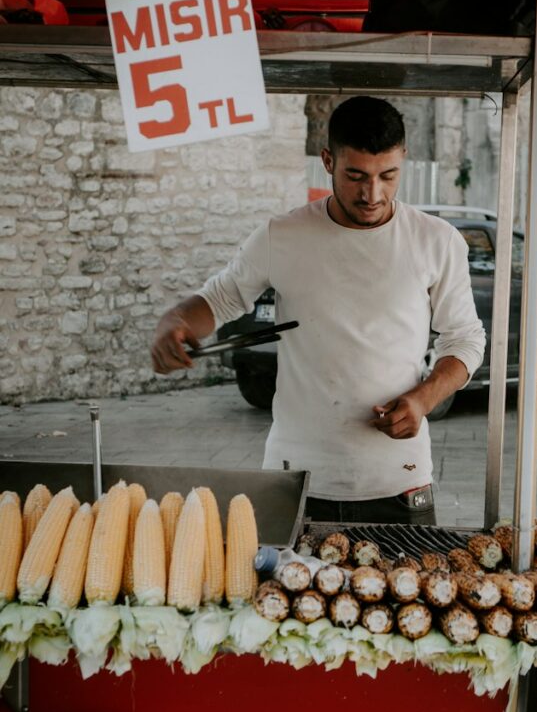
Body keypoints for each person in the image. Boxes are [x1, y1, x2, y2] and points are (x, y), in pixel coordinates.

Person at [151, 96, 485, 524]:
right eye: (356, 176)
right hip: (295, 482)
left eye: (388, 175)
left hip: (398, 481)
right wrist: (173, 322)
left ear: (403, 161)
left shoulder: (437, 241)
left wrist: (423, 398)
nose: (372, 194)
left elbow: (466, 339)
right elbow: (218, 299)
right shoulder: (281, 235)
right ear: (328, 160)